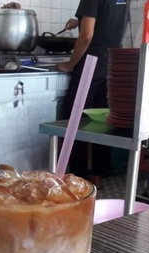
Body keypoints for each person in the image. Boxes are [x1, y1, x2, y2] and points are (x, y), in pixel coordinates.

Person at [58, 0, 130, 189]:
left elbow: (86, 36)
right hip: (112, 65)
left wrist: (70, 64)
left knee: (74, 120)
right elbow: (110, 22)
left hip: (90, 66)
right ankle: (98, 176)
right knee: (102, 123)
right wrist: (79, 21)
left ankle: (78, 178)